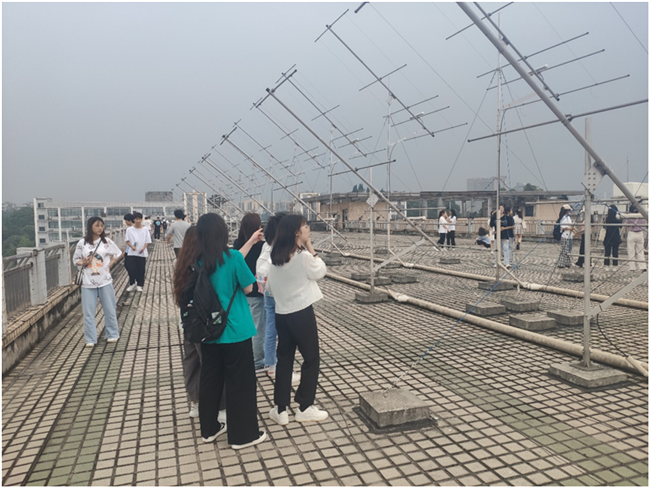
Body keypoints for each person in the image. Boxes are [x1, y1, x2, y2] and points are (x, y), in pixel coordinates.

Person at [193, 213, 266, 449]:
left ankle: (209, 430)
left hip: (208, 331)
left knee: (210, 380)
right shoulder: (233, 258)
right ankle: (242, 436)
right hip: (235, 330)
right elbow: (248, 288)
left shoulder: (197, 261)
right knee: (240, 383)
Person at [266, 215, 328, 425]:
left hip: (282, 315)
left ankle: (281, 409)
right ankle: (304, 407)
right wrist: (310, 247)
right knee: (311, 359)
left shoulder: (275, 258)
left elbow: (270, 287)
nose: (308, 229)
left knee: (284, 360)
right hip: (301, 313)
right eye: (305, 226)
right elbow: (321, 271)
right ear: (296, 233)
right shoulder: (303, 257)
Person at [172, 227, 227, 422]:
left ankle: (195, 402)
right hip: (204, 325)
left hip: (187, 323)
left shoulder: (180, 264)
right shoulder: (205, 265)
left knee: (191, 362)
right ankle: (219, 406)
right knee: (210, 364)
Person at [256, 213, 300, 384]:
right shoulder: (279, 248)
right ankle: (279, 368)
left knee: (270, 329)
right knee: (284, 332)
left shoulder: (266, 245)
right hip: (280, 293)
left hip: (268, 292)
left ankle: (271, 365)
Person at [73, 217, 122, 347]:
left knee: (110, 308)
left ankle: (112, 334)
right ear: (90, 227)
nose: (100, 228)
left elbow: (118, 253)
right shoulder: (82, 243)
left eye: (102, 225)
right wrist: (83, 262)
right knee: (88, 313)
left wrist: (109, 265)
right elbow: (75, 260)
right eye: (97, 225)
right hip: (87, 283)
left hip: (105, 281)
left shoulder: (107, 242)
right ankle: (90, 339)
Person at [233, 213, 266, 370]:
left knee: (245, 326)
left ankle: (246, 356)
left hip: (241, 292)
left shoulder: (237, 244)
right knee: (258, 328)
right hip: (257, 292)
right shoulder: (262, 246)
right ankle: (258, 361)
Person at [125, 212, 152, 292]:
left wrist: (143, 248)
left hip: (141, 253)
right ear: (134, 220)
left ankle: (139, 284)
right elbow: (127, 240)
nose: (138, 221)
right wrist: (132, 246)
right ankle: (132, 283)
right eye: (136, 219)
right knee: (131, 268)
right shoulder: (129, 230)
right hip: (131, 252)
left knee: (141, 269)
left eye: (139, 219)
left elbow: (147, 240)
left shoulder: (145, 229)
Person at [625, 204, 646, 271]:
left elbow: (626, 225)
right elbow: (644, 222)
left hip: (632, 233)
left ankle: (632, 267)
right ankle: (642, 266)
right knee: (640, 251)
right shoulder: (641, 216)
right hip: (640, 233)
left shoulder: (630, 216)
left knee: (631, 251)